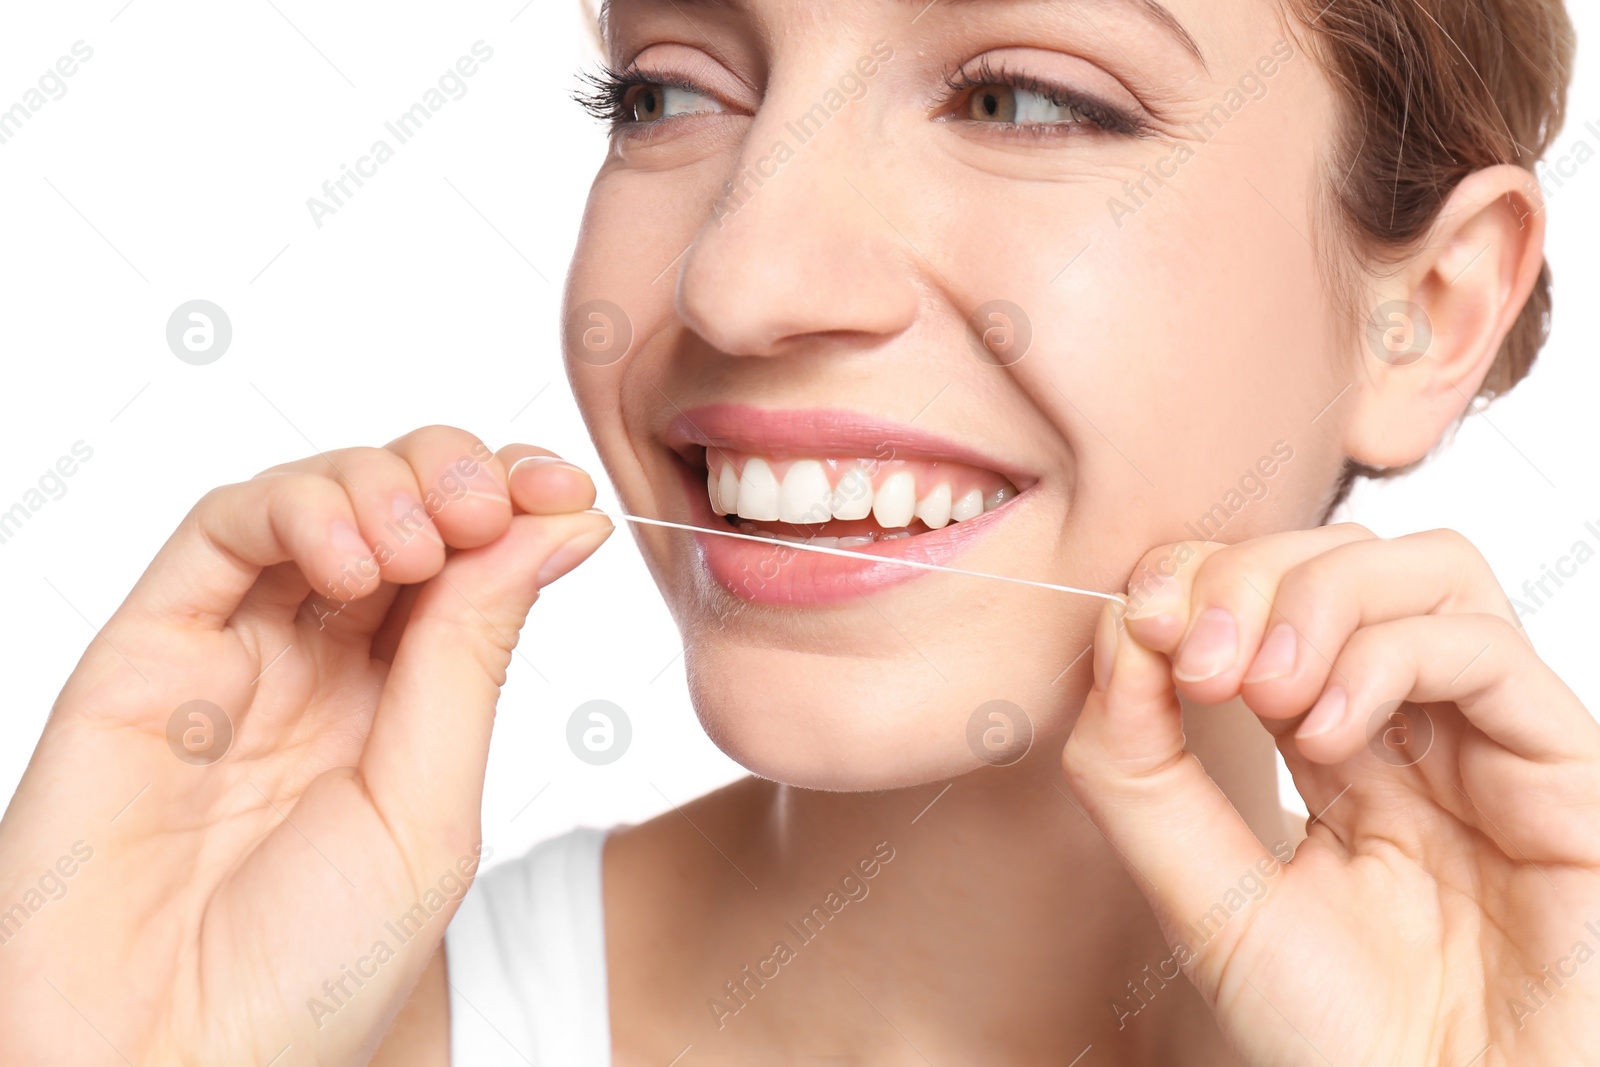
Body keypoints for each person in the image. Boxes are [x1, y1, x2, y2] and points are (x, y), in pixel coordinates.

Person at [2, 0, 1593, 1063]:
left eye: (1024, 99)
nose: (735, 279)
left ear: (1431, 311)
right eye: (667, 90)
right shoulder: (268, 1024)